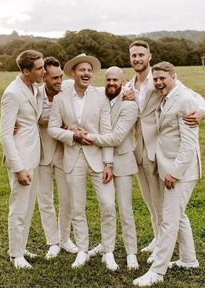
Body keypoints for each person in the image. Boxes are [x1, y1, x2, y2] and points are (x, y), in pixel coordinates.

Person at [124, 40, 205, 255]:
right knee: (151, 203)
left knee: (163, 204)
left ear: (149, 56)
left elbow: (192, 95)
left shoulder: (157, 80)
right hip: (139, 150)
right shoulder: (128, 86)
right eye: (134, 55)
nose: (137, 59)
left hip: (159, 151)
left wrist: (202, 112)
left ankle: (164, 246)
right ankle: (157, 239)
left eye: (141, 54)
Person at [133, 61, 201, 286]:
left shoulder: (185, 99)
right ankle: (188, 260)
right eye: (156, 79)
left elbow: (189, 144)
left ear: (174, 76)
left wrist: (174, 172)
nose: (159, 82)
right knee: (178, 216)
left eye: (163, 78)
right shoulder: (165, 96)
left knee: (169, 220)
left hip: (180, 170)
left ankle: (157, 272)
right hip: (167, 166)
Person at [48, 54, 117, 270]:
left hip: (98, 158)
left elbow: (106, 131)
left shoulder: (100, 96)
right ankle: (82, 250)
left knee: (107, 205)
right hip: (72, 157)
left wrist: (108, 163)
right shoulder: (61, 98)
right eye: (81, 70)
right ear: (73, 74)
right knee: (77, 207)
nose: (86, 73)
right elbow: (52, 128)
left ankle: (108, 251)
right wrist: (73, 136)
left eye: (89, 70)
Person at [87, 66, 139, 269]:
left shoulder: (130, 104)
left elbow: (117, 137)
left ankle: (131, 253)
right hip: (103, 163)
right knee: (106, 207)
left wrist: (88, 137)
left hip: (123, 163)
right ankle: (105, 245)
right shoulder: (100, 95)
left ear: (122, 82)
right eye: (108, 80)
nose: (111, 83)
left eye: (115, 80)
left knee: (125, 210)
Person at [0, 50, 45, 269]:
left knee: (28, 208)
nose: (43, 71)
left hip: (33, 156)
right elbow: (5, 134)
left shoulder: (34, 87)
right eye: (39, 68)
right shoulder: (12, 93)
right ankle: (15, 255)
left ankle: (21, 246)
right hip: (21, 161)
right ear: (26, 71)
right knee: (19, 207)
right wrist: (18, 168)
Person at [37, 57, 78, 259]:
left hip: (65, 151)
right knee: (45, 199)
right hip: (41, 153)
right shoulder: (35, 94)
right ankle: (52, 242)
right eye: (54, 78)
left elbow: (96, 93)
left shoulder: (69, 87)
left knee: (67, 198)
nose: (59, 81)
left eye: (60, 76)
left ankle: (65, 239)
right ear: (43, 76)